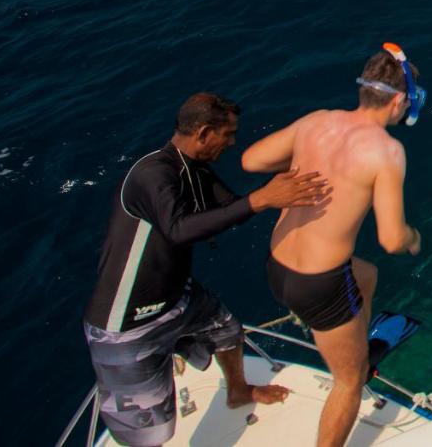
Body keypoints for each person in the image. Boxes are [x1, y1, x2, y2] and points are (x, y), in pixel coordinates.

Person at [84, 93, 331, 447]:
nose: (231, 143)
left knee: (228, 331)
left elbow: (233, 207)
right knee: (150, 435)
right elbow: (179, 228)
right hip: (127, 326)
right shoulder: (152, 174)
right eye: (226, 135)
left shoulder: (194, 171)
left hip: (178, 298)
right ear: (203, 133)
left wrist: (297, 183)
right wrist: (261, 198)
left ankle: (238, 391)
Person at [242, 43, 425, 447]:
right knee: (349, 382)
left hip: (277, 265)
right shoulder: (388, 151)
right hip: (320, 285)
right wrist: (413, 238)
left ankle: (358, 336)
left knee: (367, 274)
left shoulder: (316, 122)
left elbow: (251, 161)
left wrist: (301, 164)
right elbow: (391, 239)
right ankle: (355, 362)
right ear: (398, 101)